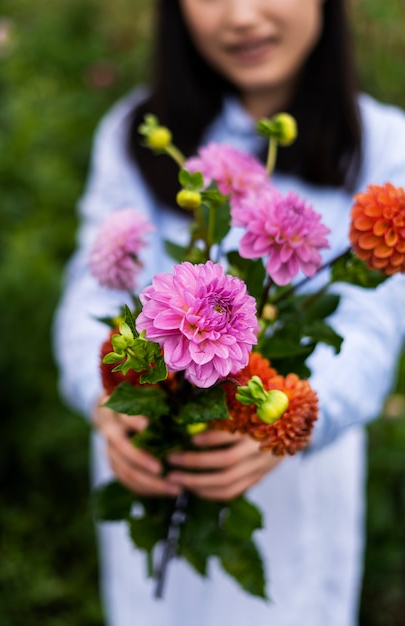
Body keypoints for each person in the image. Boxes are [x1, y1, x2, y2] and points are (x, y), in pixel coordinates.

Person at [53, 0, 405, 624]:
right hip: (149, 468)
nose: (242, 16)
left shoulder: (385, 144)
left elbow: (373, 324)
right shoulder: (132, 131)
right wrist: (102, 394)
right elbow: (94, 287)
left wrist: (298, 415)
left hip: (294, 483)